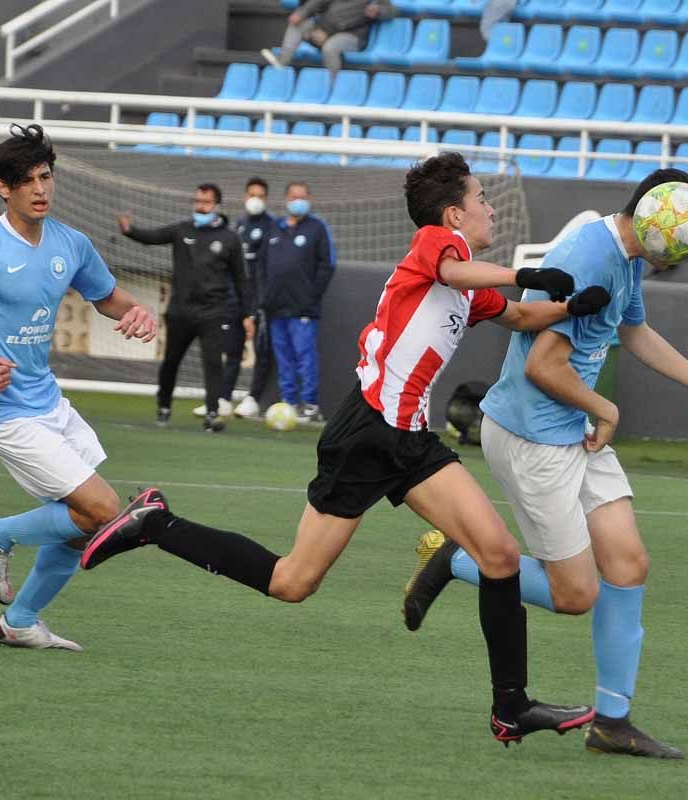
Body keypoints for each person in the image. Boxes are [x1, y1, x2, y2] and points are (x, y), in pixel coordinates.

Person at [78, 152, 614, 744]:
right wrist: (527, 273)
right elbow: (463, 277)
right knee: (292, 581)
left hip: (409, 439)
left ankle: (510, 709)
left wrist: (570, 308)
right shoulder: (437, 247)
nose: (491, 207)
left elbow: (517, 314)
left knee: (500, 555)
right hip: (367, 432)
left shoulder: (466, 277)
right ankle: (157, 522)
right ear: (454, 215)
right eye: (482, 198)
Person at [400, 169, 688, 759]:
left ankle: (612, 724)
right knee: (575, 596)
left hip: (573, 429)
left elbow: (636, 331)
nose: (685, 247)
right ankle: (458, 558)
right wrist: (606, 407)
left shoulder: (627, 252)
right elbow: (542, 368)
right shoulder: (591, 257)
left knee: (628, 563)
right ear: (657, 217)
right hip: (532, 437)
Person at [0, 124, 158, 651]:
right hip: (1, 411)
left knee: (82, 525)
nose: (41, 189)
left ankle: (19, 621)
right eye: (27, 181)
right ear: (4, 187)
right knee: (104, 509)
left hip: (48, 402)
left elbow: (107, 295)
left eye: (46, 177)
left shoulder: (72, 243)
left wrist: (135, 310)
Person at [119, 184, 247, 432]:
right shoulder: (182, 230)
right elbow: (152, 237)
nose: (200, 206)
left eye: (206, 202)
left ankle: (212, 413)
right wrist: (128, 230)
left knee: (212, 363)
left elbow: (241, 278)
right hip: (180, 311)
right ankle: (164, 406)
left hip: (213, 312)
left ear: (217, 206)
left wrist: (248, 313)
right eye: (197, 201)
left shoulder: (229, 238)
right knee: (171, 361)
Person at [263, 181, 334, 422]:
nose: (298, 200)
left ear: (310, 198)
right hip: (276, 308)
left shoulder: (317, 228)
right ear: (286, 199)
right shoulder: (275, 227)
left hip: (303, 309)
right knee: (283, 358)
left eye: (302, 196)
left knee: (305, 357)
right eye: (294, 196)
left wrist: (310, 296)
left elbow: (328, 265)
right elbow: (263, 265)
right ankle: (289, 402)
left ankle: (311, 406)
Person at [261, 0, 395, 76]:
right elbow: (315, 3)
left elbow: (392, 11)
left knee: (330, 47)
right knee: (298, 24)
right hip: (324, 32)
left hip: (352, 36)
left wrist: (378, 10)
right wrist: (301, 13)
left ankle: (333, 85)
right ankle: (282, 62)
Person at [234, 177, 276, 419]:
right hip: (237, 297)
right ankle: (222, 397)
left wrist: (259, 302)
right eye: (252, 194)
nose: (255, 200)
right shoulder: (240, 224)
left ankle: (253, 397)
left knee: (261, 348)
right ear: (244, 196)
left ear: (266, 199)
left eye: (260, 195)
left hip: (260, 300)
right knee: (230, 347)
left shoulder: (272, 226)